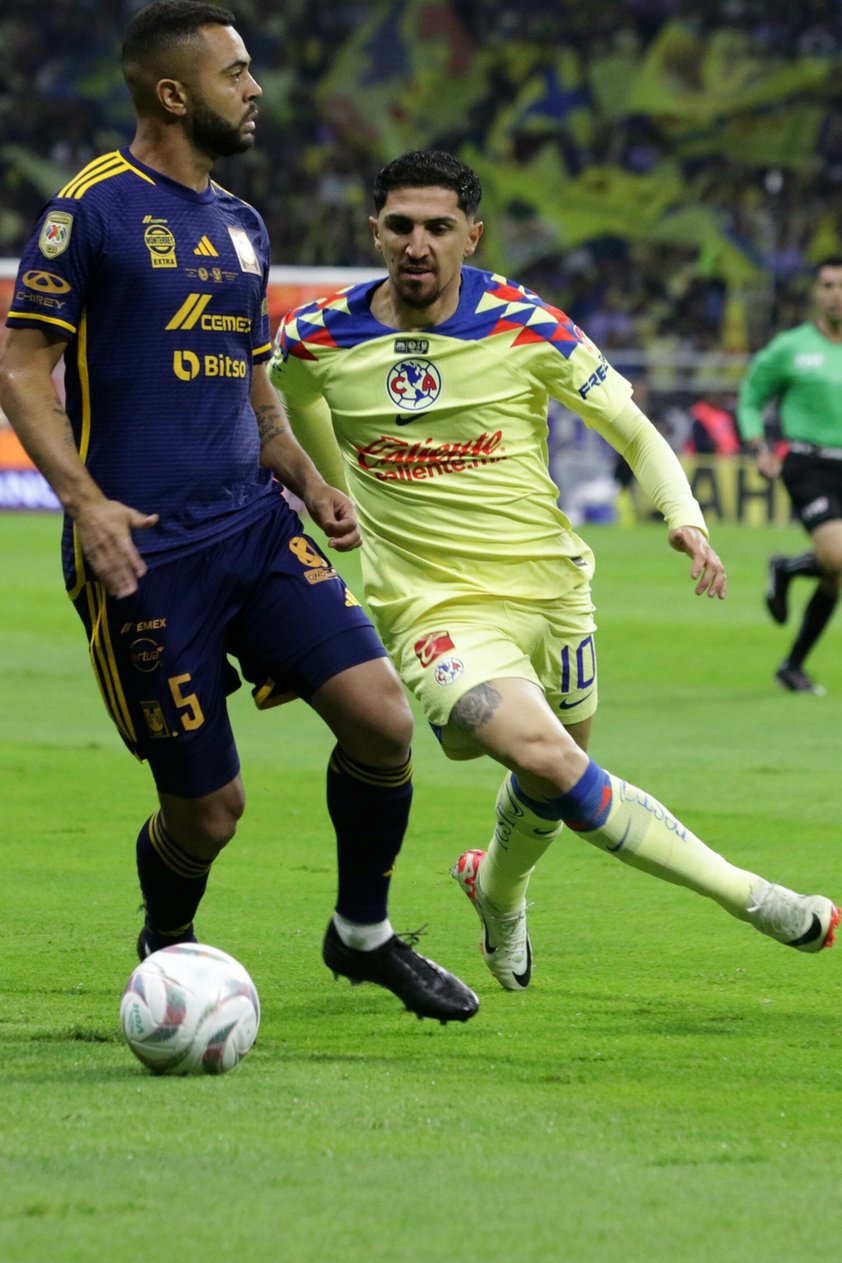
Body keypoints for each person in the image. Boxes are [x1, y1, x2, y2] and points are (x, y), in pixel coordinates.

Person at [0, 8, 478, 1025]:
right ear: (173, 93)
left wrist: (303, 477)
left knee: (384, 723)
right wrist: (83, 505)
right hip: (144, 555)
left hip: (254, 528)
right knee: (208, 812)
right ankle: (167, 952)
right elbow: (21, 368)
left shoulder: (242, 224)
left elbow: (250, 381)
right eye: (235, 72)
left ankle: (361, 935)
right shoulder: (88, 211)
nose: (255, 88)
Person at [270, 149, 839, 992]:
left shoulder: (525, 323)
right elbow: (287, 391)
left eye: (437, 228)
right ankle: (761, 901)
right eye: (399, 227)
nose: (417, 245)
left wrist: (685, 519)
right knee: (553, 763)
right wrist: (326, 486)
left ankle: (496, 890)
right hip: (433, 609)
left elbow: (636, 430)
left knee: (549, 778)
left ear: (473, 234)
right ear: (374, 232)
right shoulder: (317, 333)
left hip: (553, 594)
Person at [737, 256, 842, 696]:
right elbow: (750, 397)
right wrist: (759, 446)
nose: (836, 294)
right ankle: (785, 568)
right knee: (839, 558)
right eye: (827, 285)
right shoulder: (792, 346)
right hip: (808, 464)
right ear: (816, 294)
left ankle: (792, 665)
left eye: (841, 286)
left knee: (835, 577)